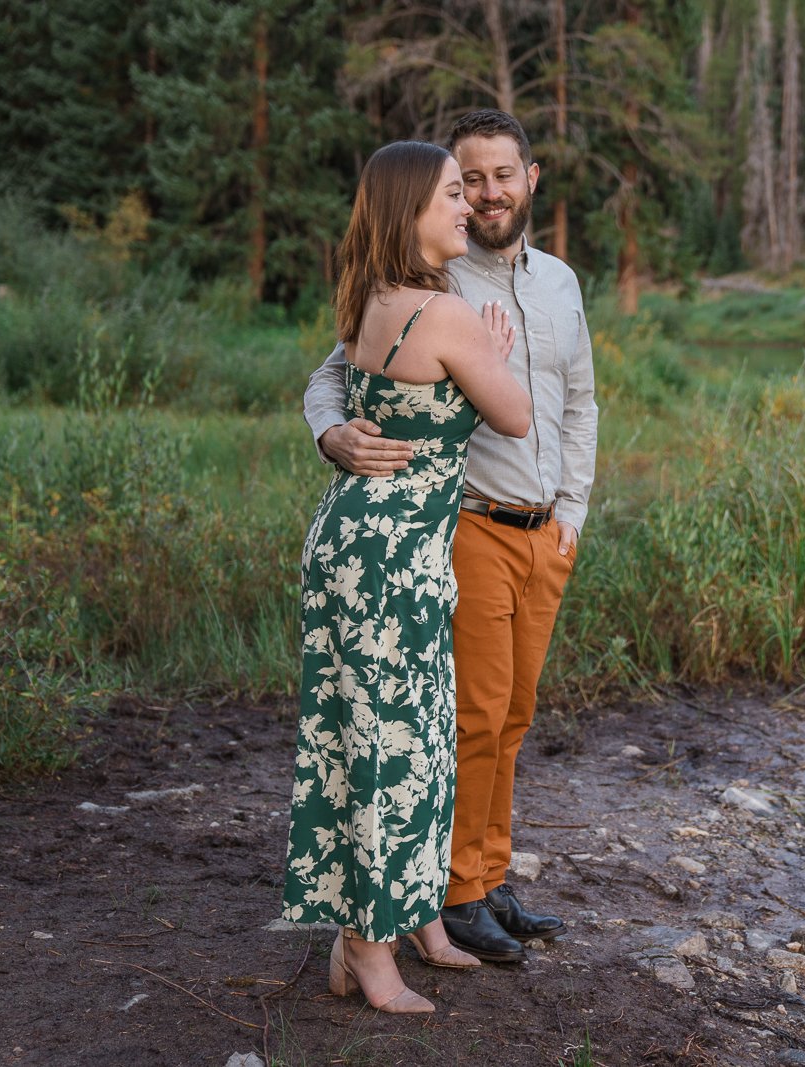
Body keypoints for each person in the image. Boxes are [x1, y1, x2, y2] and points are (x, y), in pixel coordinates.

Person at [304, 109, 598, 963]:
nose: (486, 193)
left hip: (546, 530)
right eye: (468, 179)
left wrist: (573, 510)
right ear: (451, 188)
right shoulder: (434, 277)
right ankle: (456, 890)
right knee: (469, 715)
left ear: (530, 178)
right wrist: (332, 432)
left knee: (512, 716)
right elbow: (333, 369)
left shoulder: (560, 283)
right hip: (466, 520)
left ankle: (489, 874)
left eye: (502, 175)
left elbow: (579, 401)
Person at [282, 140, 531, 1014]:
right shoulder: (451, 314)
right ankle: (363, 950)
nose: (465, 206)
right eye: (450, 195)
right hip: (391, 557)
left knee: (402, 737)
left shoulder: (373, 296)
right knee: (388, 750)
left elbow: (353, 372)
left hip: (365, 543)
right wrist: (492, 349)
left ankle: (409, 913)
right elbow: (515, 415)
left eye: (469, 192)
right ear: (408, 213)